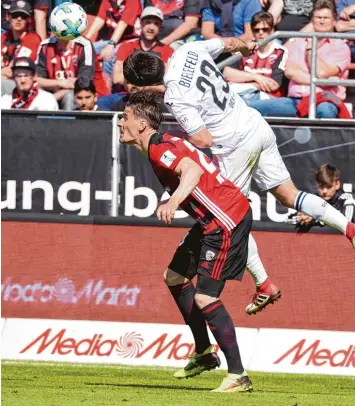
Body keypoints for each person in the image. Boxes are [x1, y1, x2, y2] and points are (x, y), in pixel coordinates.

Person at [122, 37, 355, 313]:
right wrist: (246, 47)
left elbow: (204, 139)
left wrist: (180, 141)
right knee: (290, 196)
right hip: (255, 124)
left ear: (141, 83)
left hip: (234, 146)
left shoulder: (175, 97)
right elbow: (231, 43)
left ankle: (264, 283)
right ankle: (349, 227)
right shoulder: (188, 50)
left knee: (229, 216)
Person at [119, 90, 253, 393]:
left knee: (206, 297)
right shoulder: (160, 145)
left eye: (125, 117)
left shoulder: (158, 149)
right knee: (175, 277)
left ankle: (238, 374)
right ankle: (204, 352)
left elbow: (190, 170)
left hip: (225, 219)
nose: (120, 122)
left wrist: (173, 201)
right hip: (212, 219)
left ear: (141, 125)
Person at [249, 0, 351, 118]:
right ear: (312, 20)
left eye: (326, 18)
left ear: (334, 21)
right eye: (318, 17)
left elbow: (321, 72)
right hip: (294, 100)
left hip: (325, 99)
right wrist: (323, 81)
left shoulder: (340, 46)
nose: (322, 21)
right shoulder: (298, 42)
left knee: (325, 111)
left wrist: (309, 51)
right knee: (252, 107)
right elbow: (290, 72)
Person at [223, 11, 288, 103]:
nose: (260, 33)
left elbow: (273, 84)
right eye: (256, 30)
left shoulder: (281, 52)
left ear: (272, 30)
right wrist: (257, 77)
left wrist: (241, 83)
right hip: (243, 95)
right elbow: (227, 73)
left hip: (270, 99)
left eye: (265, 29)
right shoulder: (246, 50)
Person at [36, 36, 109, 110]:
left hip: (89, 97)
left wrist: (53, 97)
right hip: (55, 95)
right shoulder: (45, 45)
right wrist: (59, 83)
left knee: (69, 96)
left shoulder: (83, 45)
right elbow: (37, 81)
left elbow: (83, 83)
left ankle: (69, 121)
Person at [113, 7, 174, 87]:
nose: (151, 28)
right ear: (140, 24)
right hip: (125, 94)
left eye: (156, 24)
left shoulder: (168, 51)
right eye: (148, 22)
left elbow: (166, 82)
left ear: (160, 28)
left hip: (154, 96)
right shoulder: (125, 47)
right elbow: (116, 78)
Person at [85, 0, 142, 76]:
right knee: (87, 50)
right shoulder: (107, 1)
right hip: (116, 40)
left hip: (132, 40)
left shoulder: (132, 1)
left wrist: (110, 45)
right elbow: (100, 19)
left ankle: (108, 85)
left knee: (109, 56)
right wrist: (85, 39)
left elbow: (123, 24)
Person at [290, 164, 355, 229]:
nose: (324, 191)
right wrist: (301, 217)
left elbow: (346, 224)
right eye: (321, 186)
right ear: (316, 185)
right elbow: (291, 218)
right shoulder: (313, 199)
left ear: (337, 184)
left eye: (329, 187)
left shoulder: (347, 200)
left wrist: (313, 219)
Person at [1, 0, 41, 95]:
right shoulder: (3, 37)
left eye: (23, 17)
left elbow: (14, 71)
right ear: (8, 17)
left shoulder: (33, 39)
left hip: (23, 85)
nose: (19, 19)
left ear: (29, 20)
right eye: (15, 15)